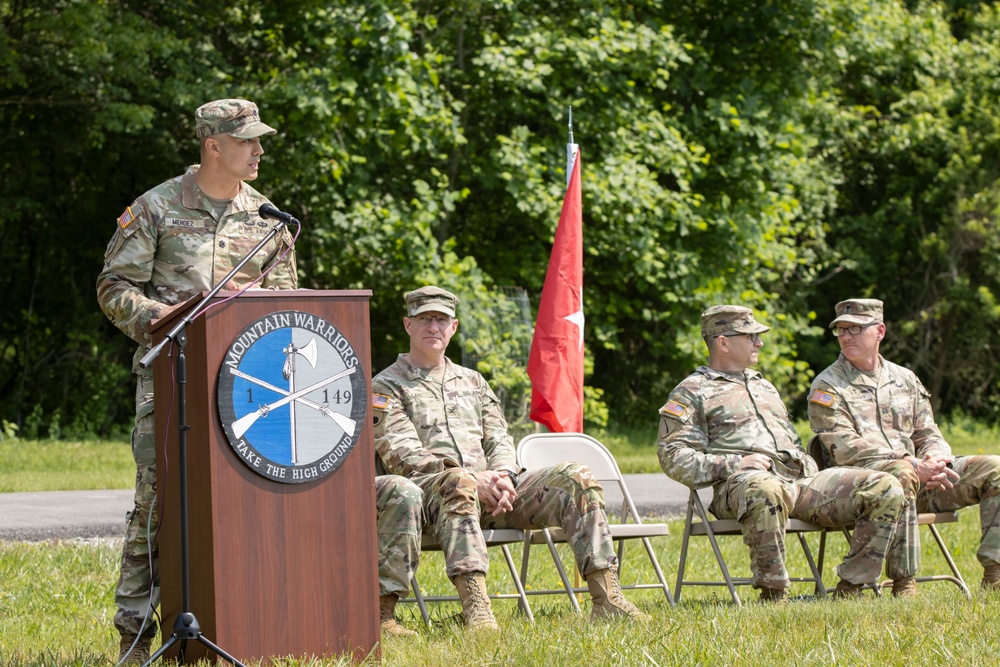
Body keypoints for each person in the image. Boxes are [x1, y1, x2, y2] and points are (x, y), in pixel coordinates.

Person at [97, 99, 297, 663]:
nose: (259, 150)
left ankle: (248, 622)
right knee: (157, 508)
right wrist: (169, 318)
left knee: (250, 502)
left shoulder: (269, 219)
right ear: (213, 145)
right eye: (248, 140)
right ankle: (135, 636)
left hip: (253, 394)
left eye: (261, 140)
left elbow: (288, 307)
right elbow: (114, 288)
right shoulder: (157, 208)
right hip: (172, 381)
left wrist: (254, 305)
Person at [371, 286, 644, 629]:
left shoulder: (473, 381)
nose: (433, 327)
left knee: (576, 476)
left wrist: (502, 475)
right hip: (429, 499)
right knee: (459, 481)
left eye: (441, 320)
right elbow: (405, 456)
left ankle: (608, 597)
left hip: (494, 494)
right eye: (424, 319)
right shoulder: (386, 386)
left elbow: (500, 437)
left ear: (453, 327)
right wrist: (474, 477)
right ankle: (478, 610)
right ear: (407, 325)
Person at [658, 305, 905, 602]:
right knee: (765, 488)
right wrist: (735, 463)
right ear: (723, 342)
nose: (759, 343)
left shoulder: (764, 386)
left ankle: (852, 587)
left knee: (884, 486)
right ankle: (774, 594)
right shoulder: (692, 391)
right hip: (742, 486)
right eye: (750, 336)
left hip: (797, 483)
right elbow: (672, 455)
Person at [808, 298, 1000, 593]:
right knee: (901, 472)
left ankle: (995, 574)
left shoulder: (904, 379)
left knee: (995, 468)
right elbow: (843, 447)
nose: (846, 336)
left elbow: (927, 432)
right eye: (841, 330)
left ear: (880, 331)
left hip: (920, 479)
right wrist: (912, 463)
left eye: (855, 329)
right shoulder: (828, 386)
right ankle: (904, 582)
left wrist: (938, 458)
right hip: (863, 487)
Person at [375, 474, 423, 637]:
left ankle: (477, 607)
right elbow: (403, 452)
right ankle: (381, 613)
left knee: (463, 484)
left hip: (487, 489)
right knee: (403, 491)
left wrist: (504, 474)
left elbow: (501, 448)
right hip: (426, 479)